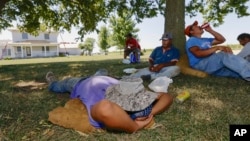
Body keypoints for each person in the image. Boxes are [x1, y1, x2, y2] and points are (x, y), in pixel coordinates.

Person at [45, 69, 173, 133]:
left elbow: (105, 109)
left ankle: (52, 82)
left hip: (81, 83)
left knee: (63, 84)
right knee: (101, 71)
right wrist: (142, 121)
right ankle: (53, 83)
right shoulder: (129, 92)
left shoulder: (100, 105)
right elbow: (166, 96)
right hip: (102, 80)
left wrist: (138, 122)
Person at [184, 21, 250, 81]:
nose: (198, 26)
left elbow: (222, 40)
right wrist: (216, 48)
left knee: (234, 71)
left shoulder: (205, 40)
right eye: (195, 26)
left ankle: (247, 75)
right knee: (222, 55)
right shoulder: (192, 40)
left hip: (213, 65)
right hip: (201, 65)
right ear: (191, 32)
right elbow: (198, 54)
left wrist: (210, 30)